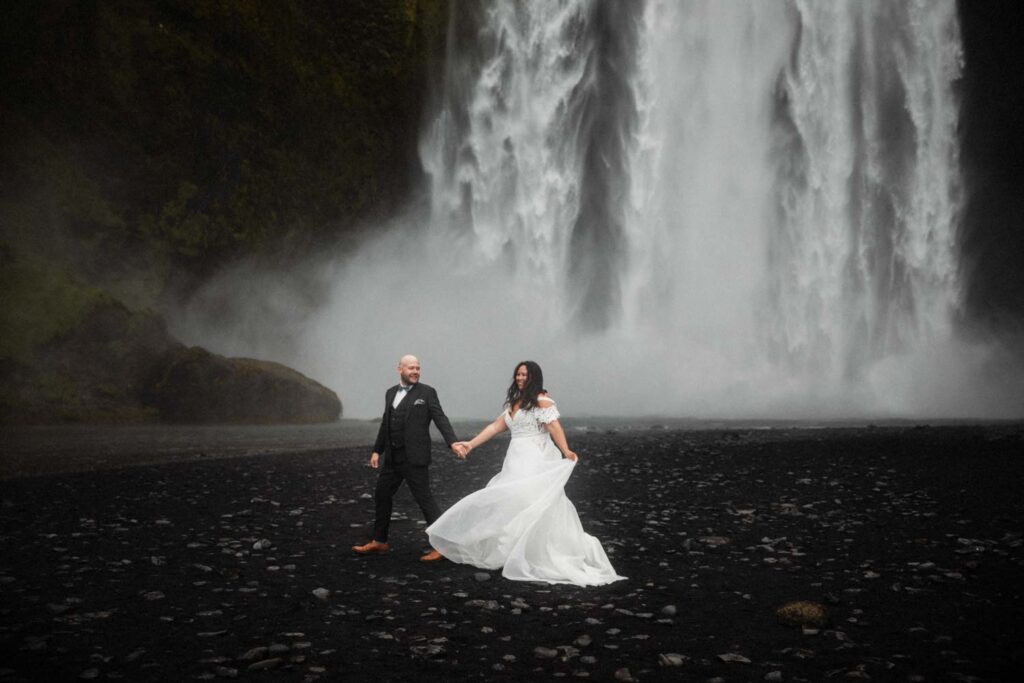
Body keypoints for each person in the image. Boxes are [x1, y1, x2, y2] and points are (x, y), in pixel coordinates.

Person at [426, 361, 625, 585]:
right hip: (515, 458)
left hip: (534, 458)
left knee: (531, 500)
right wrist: (470, 445)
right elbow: (495, 427)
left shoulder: (542, 400)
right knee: (510, 501)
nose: (520, 378)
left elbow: (554, 427)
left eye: (525, 375)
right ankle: (512, 550)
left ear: (534, 378)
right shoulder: (515, 402)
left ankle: (534, 551)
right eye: (518, 374)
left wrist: (566, 450)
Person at [353, 355, 465, 562]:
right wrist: (377, 450)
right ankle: (379, 541)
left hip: (415, 457)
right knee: (381, 495)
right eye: (411, 368)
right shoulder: (390, 393)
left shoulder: (427, 393)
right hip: (393, 458)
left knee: (424, 499)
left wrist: (453, 442)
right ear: (400, 369)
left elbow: (440, 418)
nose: (415, 371)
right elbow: (385, 423)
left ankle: (442, 546)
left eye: (418, 368)